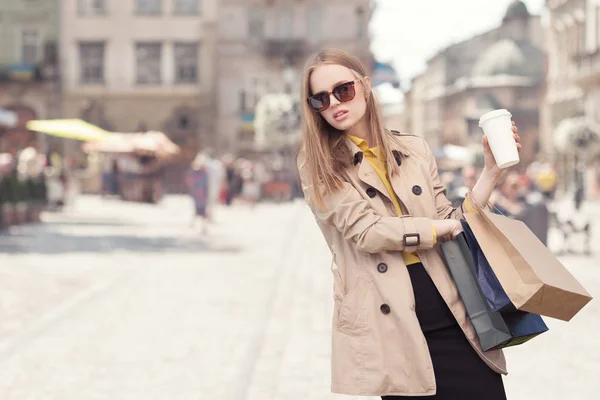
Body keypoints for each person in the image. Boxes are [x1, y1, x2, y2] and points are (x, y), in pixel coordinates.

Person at [296, 49, 522, 399]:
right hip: (393, 325)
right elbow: (367, 233)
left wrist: (491, 172)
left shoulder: (413, 149)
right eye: (320, 99)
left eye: (343, 90)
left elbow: (452, 222)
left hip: (454, 311)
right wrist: (434, 230)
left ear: (366, 86)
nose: (334, 103)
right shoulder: (319, 165)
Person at [186, 153, 210, 233]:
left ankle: (203, 226)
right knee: (197, 209)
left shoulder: (204, 173)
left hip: (202, 194)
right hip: (197, 194)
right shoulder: (194, 173)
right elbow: (190, 182)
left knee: (203, 211)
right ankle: (197, 224)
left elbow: (206, 184)